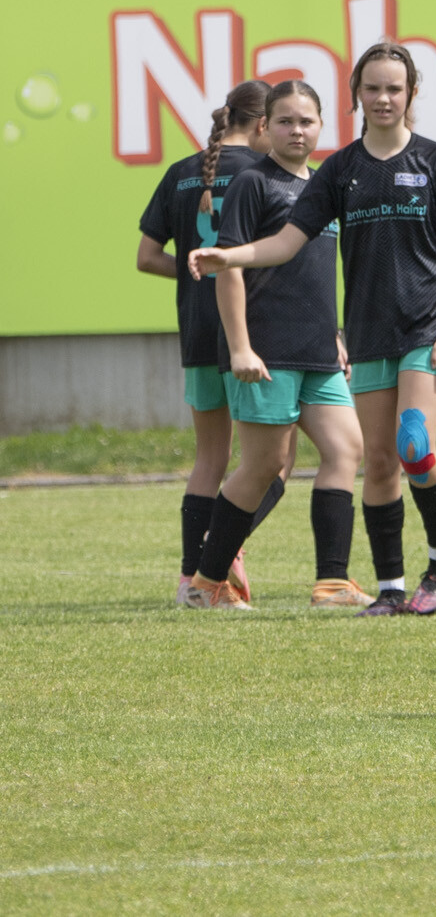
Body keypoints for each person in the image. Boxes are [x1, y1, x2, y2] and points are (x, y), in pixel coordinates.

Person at [194, 41, 436, 617]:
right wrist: (231, 257)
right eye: (373, 88)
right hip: (366, 336)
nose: (383, 98)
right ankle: (389, 589)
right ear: (356, 95)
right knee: (376, 461)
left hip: (424, 330)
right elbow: (286, 242)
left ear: (412, 93)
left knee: (413, 444)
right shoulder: (341, 171)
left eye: (394, 88)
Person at [182, 81, 370, 609]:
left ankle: (331, 583)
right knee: (264, 465)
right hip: (267, 351)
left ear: (322, 125)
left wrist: (334, 335)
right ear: (265, 126)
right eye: (285, 121)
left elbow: (315, 274)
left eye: (306, 121)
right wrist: (240, 348)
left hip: (318, 352)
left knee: (345, 449)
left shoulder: (324, 185)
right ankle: (205, 584)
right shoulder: (252, 182)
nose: (297, 131)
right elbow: (228, 269)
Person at [139, 80, 271, 604]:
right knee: (272, 460)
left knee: (210, 458)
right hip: (253, 334)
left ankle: (189, 576)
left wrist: (195, 270)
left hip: (197, 331)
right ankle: (224, 546)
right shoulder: (264, 172)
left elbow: (147, 257)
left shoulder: (179, 172)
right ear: (262, 124)